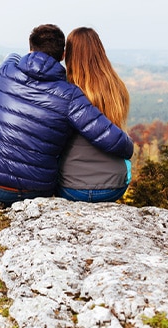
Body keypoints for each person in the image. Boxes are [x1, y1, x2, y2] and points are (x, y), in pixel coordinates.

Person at [0, 24, 133, 221]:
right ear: (62, 55)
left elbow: (10, 58)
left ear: (31, 49)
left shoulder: (6, 74)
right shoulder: (70, 95)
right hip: (38, 191)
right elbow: (109, 137)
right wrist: (128, 149)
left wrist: (22, 55)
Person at [57, 27, 132, 202]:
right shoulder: (117, 88)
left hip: (71, 187)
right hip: (115, 186)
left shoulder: (65, 90)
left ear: (69, 54)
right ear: (100, 51)